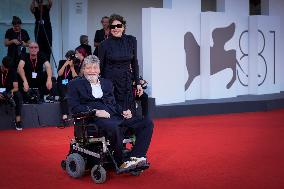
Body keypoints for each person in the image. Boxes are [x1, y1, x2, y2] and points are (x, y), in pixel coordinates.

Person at [67, 55, 153, 170]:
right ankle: (121, 161)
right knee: (113, 127)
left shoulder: (107, 83)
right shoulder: (75, 85)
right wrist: (95, 112)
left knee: (146, 122)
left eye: (95, 68)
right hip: (93, 121)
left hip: (115, 117)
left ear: (99, 70)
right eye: (88, 68)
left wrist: (123, 111)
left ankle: (136, 156)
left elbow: (112, 104)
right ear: (83, 70)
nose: (92, 71)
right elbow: (75, 108)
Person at [98, 14, 143, 115]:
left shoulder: (131, 40)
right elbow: (100, 67)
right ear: (109, 29)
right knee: (115, 112)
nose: (115, 29)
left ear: (123, 27)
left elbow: (134, 62)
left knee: (129, 111)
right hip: (111, 83)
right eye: (113, 27)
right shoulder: (104, 44)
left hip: (126, 81)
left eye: (118, 26)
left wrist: (138, 83)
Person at [57, 49, 86, 123]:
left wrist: (72, 67)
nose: (69, 59)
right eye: (68, 58)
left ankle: (68, 115)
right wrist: (65, 65)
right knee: (63, 93)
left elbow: (75, 77)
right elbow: (59, 74)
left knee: (68, 92)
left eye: (70, 58)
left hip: (70, 83)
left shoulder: (76, 64)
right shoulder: (62, 62)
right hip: (61, 82)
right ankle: (64, 114)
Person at [0, 56, 23, 130]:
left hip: (8, 91)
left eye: (8, 68)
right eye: (5, 67)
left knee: (18, 95)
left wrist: (11, 92)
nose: (6, 69)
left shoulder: (12, 71)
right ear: (2, 64)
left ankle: (18, 120)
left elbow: (16, 87)